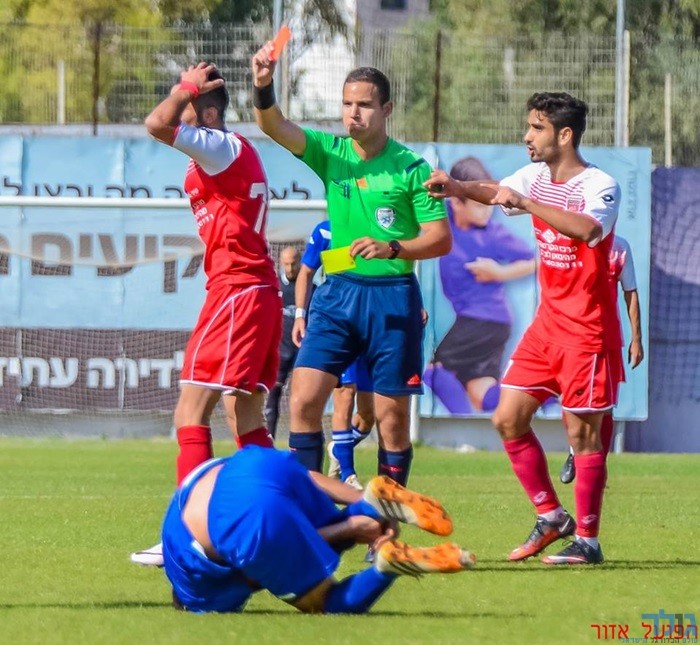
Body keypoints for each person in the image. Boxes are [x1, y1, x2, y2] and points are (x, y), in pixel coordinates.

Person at [425, 92, 624, 565]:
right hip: (545, 328)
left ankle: (588, 542)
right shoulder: (533, 177)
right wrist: (456, 186)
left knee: (583, 436)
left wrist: (530, 204)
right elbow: (496, 191)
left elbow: (587, 230)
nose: (527, 137)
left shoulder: (601, 184)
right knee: (507, 418)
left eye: (537, 128)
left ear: (565, 135)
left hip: (586, 331)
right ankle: (552, 516)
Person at [252, 44, 451, 485]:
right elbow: (272, 124)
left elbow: (440, 239)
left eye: (364, 105)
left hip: (392, 299)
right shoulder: (331, 152)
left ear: (387, 109)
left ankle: (385, 518)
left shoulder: (412, 169)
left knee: (391, 419)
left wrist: (393, 247)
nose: (353, 114)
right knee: (303, 400)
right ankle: (311, 509)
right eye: (347, 104)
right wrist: (263, 84)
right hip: (338, 295)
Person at [131, 63, 280, 567]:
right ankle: (282, 517)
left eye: (190, 108)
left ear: (209, 115)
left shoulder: (220, 147)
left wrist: (186, 87)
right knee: (244, 417)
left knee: (189, 412)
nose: (180, 113)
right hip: (251, 291)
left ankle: (185, 535)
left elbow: (157, 123)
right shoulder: (212, 160)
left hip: (238, 291)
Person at [161, 446, 475, 614]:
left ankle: (388, 565)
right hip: (255, 463)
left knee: (323, 602)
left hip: (243, 516)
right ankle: (371, 502)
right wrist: (359, 502)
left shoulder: (198, 594)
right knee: (314, 529)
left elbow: (267, 562)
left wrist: (349, 529)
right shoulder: (172, 527)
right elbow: (308, 476)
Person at [424, 156, 536, 415]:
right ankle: (542, 393)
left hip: (484, 321)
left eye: (489, 205)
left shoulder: (492, 234)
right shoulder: (445, 218)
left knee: (436, 372)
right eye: (479, 205)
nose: (487, 211)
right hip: (487, 322)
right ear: (456, 202)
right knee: (480, 392)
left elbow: (535, 261)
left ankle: (460, 433)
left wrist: (500, 272)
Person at [294, 220, 376, 489]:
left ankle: (338, 448)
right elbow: (307, 272)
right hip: (341, 325)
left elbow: (395, 269)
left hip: (373, 324)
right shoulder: (326, 230)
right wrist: (300, 315)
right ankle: (347, 475)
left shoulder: (376, 227)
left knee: (368, 416)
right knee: (345, 395)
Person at [559, 234, 644, 483]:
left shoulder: (619, 247)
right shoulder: (568, 243)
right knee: (569, 399)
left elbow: (631, 292)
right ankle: (575, 450)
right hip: (570, 337)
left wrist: (636, 339)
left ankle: (597, 465)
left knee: (605, 406)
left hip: (606, 339)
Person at [264, 246, 302, 439]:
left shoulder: (309, 287)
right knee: (273, 394)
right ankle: (269, 438)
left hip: (302, 351)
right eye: (286, 264)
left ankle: (300, 441)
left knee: (301, 398)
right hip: (280, 350)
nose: (290, 268)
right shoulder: (275, 287)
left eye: (293, 263)